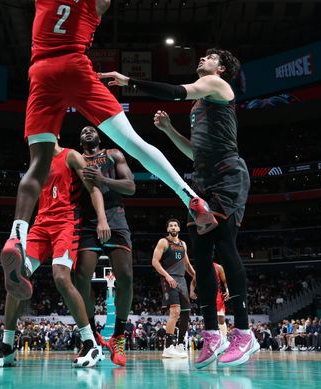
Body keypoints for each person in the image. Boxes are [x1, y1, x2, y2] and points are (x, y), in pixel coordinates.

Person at [1, 0, 215, 302]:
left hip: (42, 71)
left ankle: (17, 236)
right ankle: (190, 197)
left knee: (37, 164)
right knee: (134, 143)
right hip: (78, 69)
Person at [100, 48, 257, 369]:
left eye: (211, 57)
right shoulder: (202, 103)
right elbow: (194, 152)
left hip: (228, 174)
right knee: (199, 255)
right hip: (202, 178)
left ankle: (244, 331)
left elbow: (174, 92)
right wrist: (170, 131)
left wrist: (128, 80)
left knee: (225, 248)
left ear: (222, 68)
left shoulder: (216, 85)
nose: (204, 59)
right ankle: (213, 333)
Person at [0, 140, 108, 368]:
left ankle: (90, 343)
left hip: (66, 224)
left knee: (61, 277)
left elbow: (93, 188)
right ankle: (7, 346)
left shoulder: (71, 156)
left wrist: (102, 218)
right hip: (40, 225)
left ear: (55, 133)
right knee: (16, 277)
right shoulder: (37, 163)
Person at [72, 125, 135, 366]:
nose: (87, 131)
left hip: (116, 218)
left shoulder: (113, 155)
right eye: (83, 131)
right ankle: (90, 337)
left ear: (99, 136)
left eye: (91, 129)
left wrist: (102, 178)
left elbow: (131, 187)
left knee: (126, 277)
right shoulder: (75, 159)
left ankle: (118, 336)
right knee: (80, 278)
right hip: (87, 222)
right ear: (80, 141)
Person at [152, 219, 195, 359]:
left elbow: (187, 265)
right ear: (168, 229)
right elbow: (154, 262)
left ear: (179, 228)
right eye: (170, 225)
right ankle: (168, 346)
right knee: (174, 311)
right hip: (169, 279)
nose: (173, 227)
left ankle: (180, 344)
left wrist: (197, 276)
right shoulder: (163, 242)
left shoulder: (183, 244)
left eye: (175, 225)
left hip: (182, 280)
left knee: (185, 314)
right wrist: (167, 276)